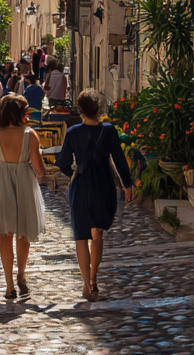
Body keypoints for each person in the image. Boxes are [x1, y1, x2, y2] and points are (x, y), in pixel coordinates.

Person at [57, 89, 134, 301]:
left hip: (81, 185)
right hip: (102, 185)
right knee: (97, 234)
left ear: (80, 110)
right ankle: (93, 278)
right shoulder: (109, 131)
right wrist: (127, 184)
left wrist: (73, 174)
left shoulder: (72, 132)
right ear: (98, 109)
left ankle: (84, 284)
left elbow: (62, 162)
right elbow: (119, 160)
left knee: (81, 236)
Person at [0, 94, 47, 300]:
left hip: (0, 183)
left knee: (5, 234)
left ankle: (9, 285)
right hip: (25, 184)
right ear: (20, 113)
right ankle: (21, 275)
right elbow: (39, 169)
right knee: (23, 233)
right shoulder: (30, 135)